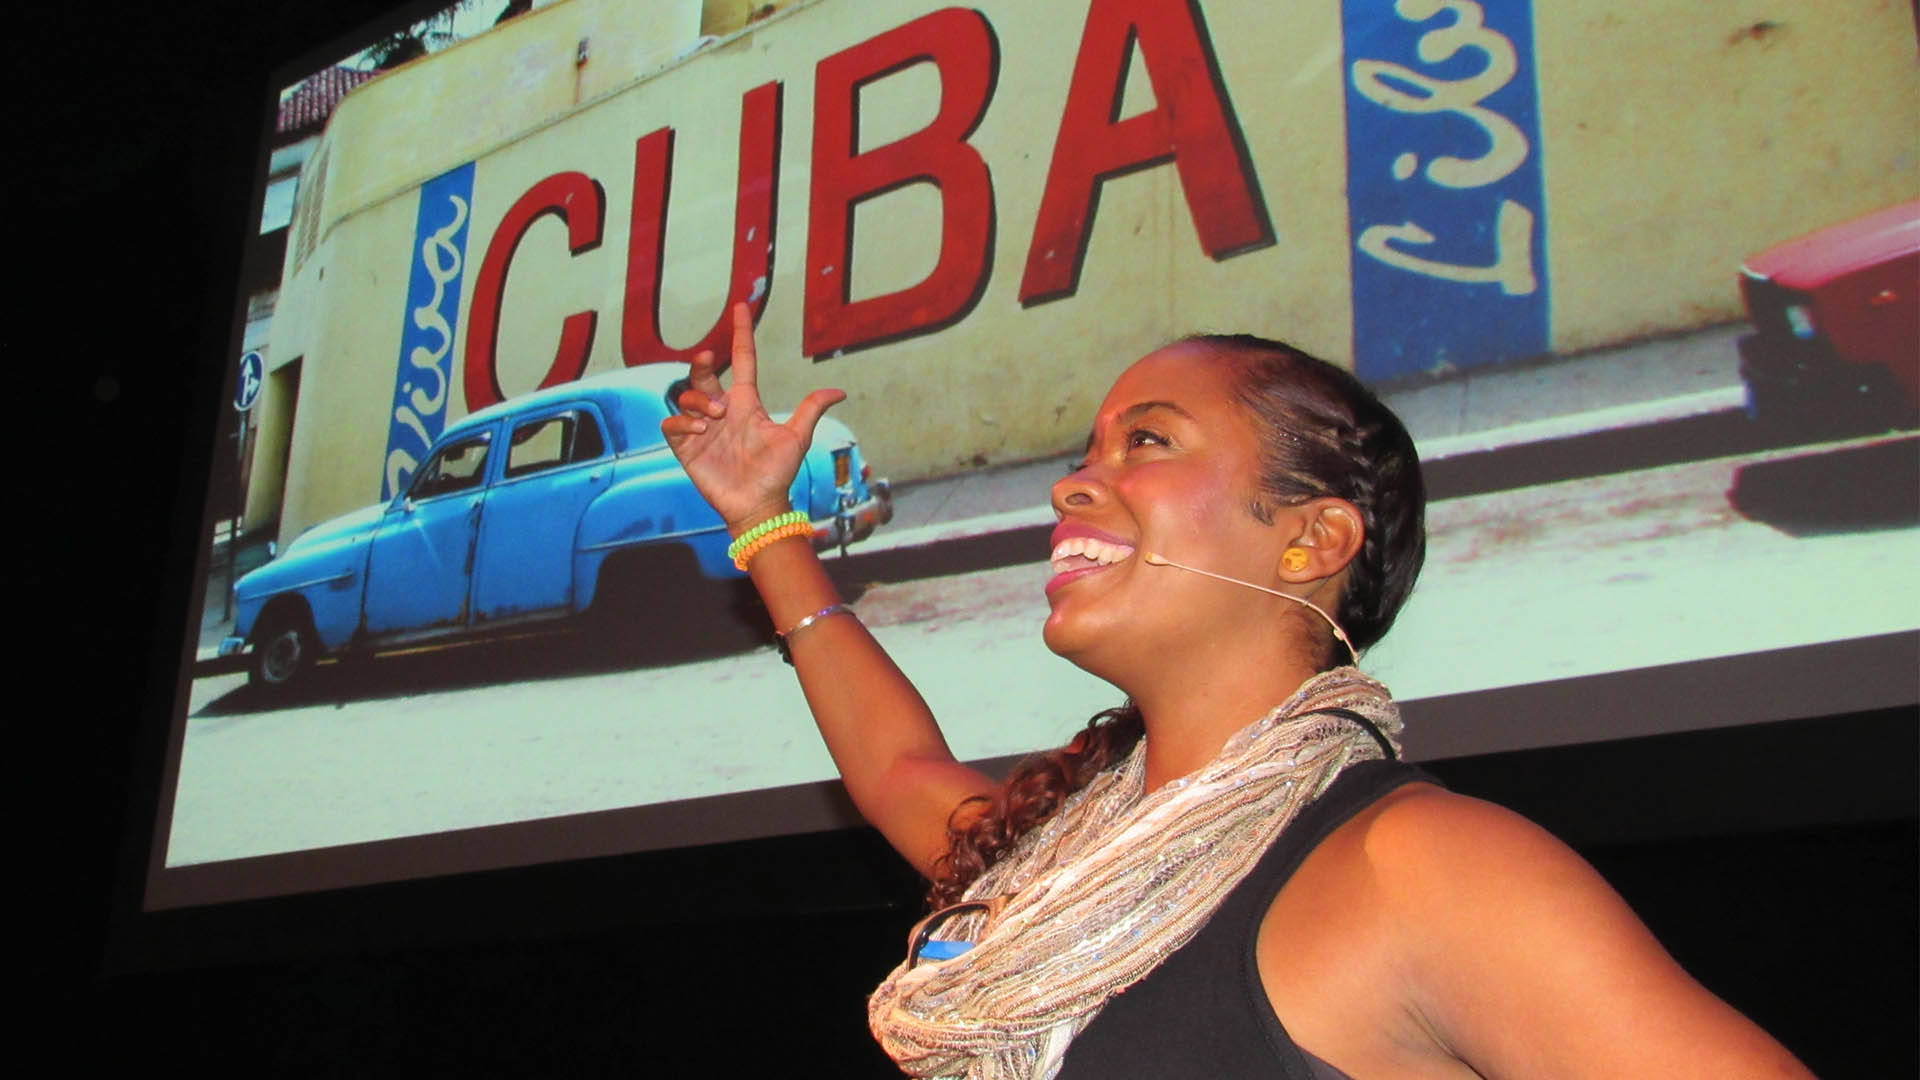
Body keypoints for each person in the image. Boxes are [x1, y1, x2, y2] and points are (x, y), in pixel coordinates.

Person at [662, 304, 1812, 1079]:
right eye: (1090, 450)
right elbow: (900, 773)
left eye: (1146, 443)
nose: (1074, 483)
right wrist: (767, 525)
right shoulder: (1060, 862)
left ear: (1311, 541)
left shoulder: (1424, 873)